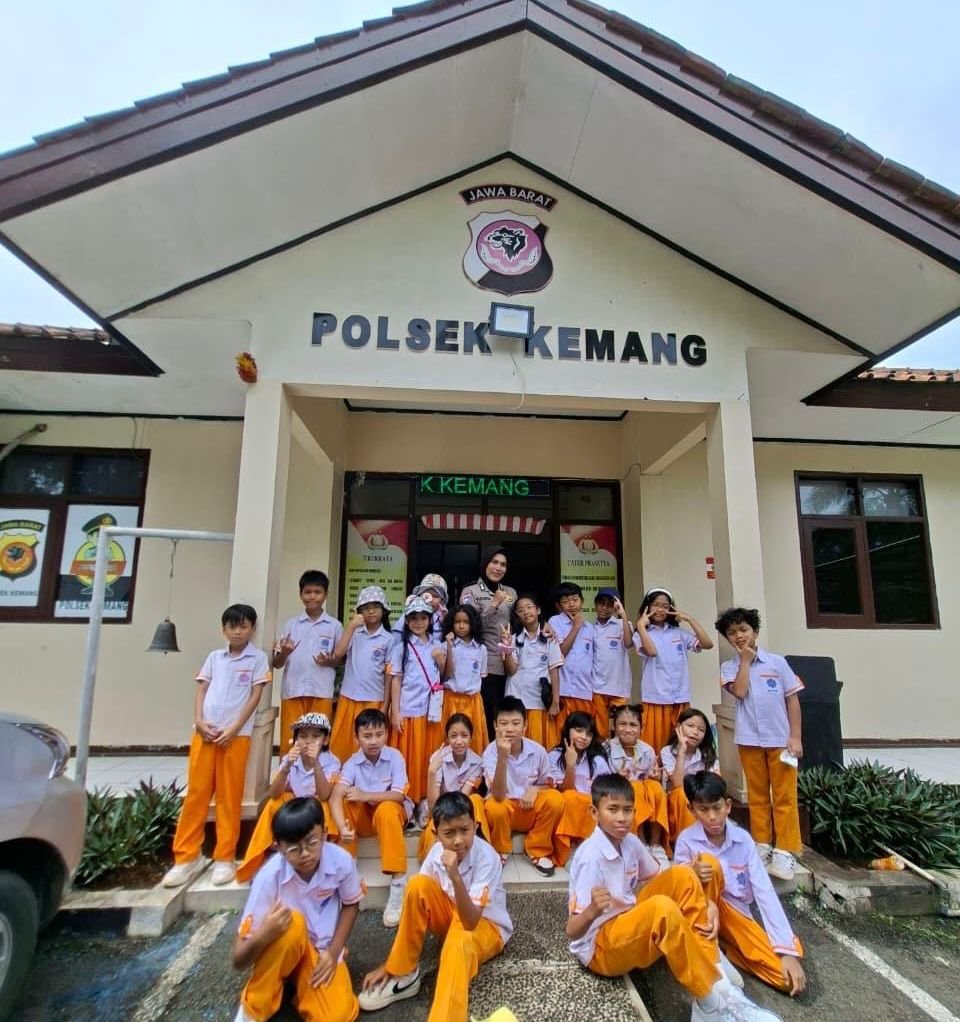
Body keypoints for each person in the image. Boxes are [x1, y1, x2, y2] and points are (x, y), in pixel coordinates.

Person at [566, 773, 783, 1022]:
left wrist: (704, 898)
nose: (622, 818)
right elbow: (572, 932)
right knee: (663, 908)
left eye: (627, 810)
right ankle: (709, 1003)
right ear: (594, 813)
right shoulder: (590, 858)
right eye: (612, 810)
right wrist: (592, 910)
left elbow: (664, 876)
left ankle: (720, 984)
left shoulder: (630, 842)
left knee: (684, 875)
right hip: (599, 948)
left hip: (626, 922)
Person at [359, 792, 511, 1022]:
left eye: (465, 830)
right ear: (436, 833)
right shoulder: (436, 852)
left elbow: (469, 922)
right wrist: (390, 965)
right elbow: (418, 903)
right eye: (449, 833)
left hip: (486, 926)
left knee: (458, 941)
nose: (458, 840)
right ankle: (403, 972)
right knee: (417, 885)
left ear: (475, 826)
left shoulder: (487, 858)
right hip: (453, 916)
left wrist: (455, 876)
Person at [163, 604, 271, 888]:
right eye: (232, 626)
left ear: (252, 629)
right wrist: (198, 720)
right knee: (196, 795)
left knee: (229, 796)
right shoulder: (214, 658)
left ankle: (225, 856)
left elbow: (255, 697)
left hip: (236, 737)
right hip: (205, 734)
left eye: (243, 626)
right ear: (223, 629)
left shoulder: (258, 659)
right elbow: (202, 690)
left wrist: (234, 729)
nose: (238, 632)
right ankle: (186, 857)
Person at [675, 772, 806, 997]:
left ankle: (731, 949)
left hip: (735, 915)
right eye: (703, 810)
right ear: (691, 810)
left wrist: (786, 952)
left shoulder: (743, 840)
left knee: (785, 979)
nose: (712, 817)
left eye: (717, 808)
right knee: (708, 864)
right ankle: (712, 954)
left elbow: (764, 892)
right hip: (702, 913)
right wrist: (690, 872)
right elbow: (678, 887)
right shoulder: (686, 840)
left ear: (727, 806)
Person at [231, 798, 361, 1022]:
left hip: (320, 952)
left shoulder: (342, 862)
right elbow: (238, 960)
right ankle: (253, 1010)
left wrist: (333, 951)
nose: (305, 854)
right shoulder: (268, 878)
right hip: (282, 949)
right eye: (293, 849)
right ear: (278, 848)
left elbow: (351, 903)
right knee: (292, 922)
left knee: (338, 1016)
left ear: (325, 834)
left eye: (312, 842)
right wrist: (265, 934)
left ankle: (296, 989)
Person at [716, 607, 804, 881]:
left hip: (780, 740)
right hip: (749, 740)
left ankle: (786, 849)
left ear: (755, 631)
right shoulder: (729, 668)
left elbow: (792, 700)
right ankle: (762, 844)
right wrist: (745, 662)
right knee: (757, 795)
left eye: (743, 629)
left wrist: (795, 737)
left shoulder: (778, 663)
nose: (739, 636)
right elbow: (740, 692)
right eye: (732, 632)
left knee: (784, 795)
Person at [328, 708, 412, 928]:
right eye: (367, 736)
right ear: (356, 738)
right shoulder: (352, 763)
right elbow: (335, 795)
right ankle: (348, 873)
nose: (374, 741)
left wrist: (366, 795)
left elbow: (399, 795)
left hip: (390, 817)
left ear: (386, 734)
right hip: (365, 821)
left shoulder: (395, 757)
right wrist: (341, 827)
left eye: (379, 734)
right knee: (346, 802)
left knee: (387, 808)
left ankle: (398, 885)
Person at [237, 712, 340, 883]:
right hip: (295, 805)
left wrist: (315, 763)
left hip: (315, 806)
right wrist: (287, 766)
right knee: (274, 804)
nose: (308, 741)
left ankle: (320, 860)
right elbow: (273, 793)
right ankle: (259, 861)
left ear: (325, 740)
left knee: (324, 805)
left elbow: (324, 795)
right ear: (295, 740)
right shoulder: (290, 758)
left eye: (315, 736)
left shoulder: (332, 761)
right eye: (303, 736)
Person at [482, 696, 565, 876]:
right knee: (494, 806)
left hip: (529, 808)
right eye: (503, 723)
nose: (509, 729)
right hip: (505, 809)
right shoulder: (490, 752)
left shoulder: (538, 750)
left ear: (525, 725)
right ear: (495, 726)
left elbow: (549, 785)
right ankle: (500, 849)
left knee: (556, 799)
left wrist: (535, 789)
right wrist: (502, 756)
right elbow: (497, 795)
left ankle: (537, 849)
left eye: (515, 723)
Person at [634, 586, 714, 756]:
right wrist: (640, 625)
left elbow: (708, 644)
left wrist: (690, 619)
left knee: (681, 743)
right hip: (656, 698)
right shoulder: (640, 634)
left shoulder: (679, 633)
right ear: (647, 606)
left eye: (665, 606)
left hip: (680, 698)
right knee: (655, 745)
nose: (660, 610)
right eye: (656, 605)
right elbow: (652, 652)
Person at [388, 595, 446, 826]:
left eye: (423, 618)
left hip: (430, 712)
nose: (419, 622)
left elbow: (445, 675)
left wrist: (441, 660)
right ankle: (408, 800)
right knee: (409, 758)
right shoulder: (401, 647)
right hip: (408, 709)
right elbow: (396, 680)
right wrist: (395, 711)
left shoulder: (436, 644)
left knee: (426, 758)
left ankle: (424, 800)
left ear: (430, 620)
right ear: (407, 620)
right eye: (414, 618)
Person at [272, 570, 344, 748]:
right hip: (293, 691)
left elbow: (341, 660)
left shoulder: (334, 626)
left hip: (321, 691)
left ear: (326, 594)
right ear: (300, 595)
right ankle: (290, 767)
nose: (312, 596)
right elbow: (277, 663)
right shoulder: (291, 625)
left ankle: (316, 767)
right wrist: (285, 652)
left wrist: (329, 661)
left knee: (319, 741)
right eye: (308, 592)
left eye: (317, 592)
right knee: (291, 741)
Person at [328, 587, 392, 764]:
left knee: (369, 744)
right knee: (341, 744)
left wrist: (385, 705)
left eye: (375, 607)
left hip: (374, 699)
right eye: (366, 608)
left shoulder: (389, 639)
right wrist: (351, 626)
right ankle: (339, 776)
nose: (371, 611)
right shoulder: (354, 633)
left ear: (383, 610)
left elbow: (389, 675)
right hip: (349, 697)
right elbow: (338, 654)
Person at [460, 547, 517, 738]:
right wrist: (493, 604)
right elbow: (468, 627)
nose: (498, 568)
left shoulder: (511, 592)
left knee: (506, 718)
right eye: (494, 562)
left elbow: (522, 620)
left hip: (510, 664)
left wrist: (545, 626)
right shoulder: (471, 591)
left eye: (503, 564)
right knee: (485, 718)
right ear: (485, 564)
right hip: (484, 665)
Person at [605, 703, 670, 864]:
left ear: (641, 727)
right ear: (614, 726)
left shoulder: (647, 750)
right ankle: (639, 840)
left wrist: (655, 777)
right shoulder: (606, 748)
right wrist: (617, 777)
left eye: (633, 725)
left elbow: (650, 777)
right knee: (634, 787)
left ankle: (655, 843)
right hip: (618, 795)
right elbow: (601, 779)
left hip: (644, 796)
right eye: (622, 724)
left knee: (656, 788)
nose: (628, 729)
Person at [419, 713, 488, 859]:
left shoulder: (477, 763)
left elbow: (463, 798)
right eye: (453, 736)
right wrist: (432, 772)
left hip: (460, 809)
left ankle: (480, 851)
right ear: (447, 738)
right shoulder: (438, 758)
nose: (459, 741)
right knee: (434, 838)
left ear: (471, 737)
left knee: (476, 799)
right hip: (439, 809)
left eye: (464, 736)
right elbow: (433, 806)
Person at [548, 711, 611, 864]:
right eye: (578, 730)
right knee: (569, 797)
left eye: (589, 734)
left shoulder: (596, 760)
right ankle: (570, 852)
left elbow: (605, 792)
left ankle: (588, 849)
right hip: (566, 811)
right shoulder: (554, 756)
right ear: (568, 730)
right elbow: (564, 791)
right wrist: (570, 766)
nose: (583, 737)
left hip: (590, 813)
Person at [500, 593, 562, 747]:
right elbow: (511, 671)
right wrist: (506, 647)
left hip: (538, 701)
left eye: (529, 607)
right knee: (515, 745)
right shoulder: (514, 638)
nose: (526, 612)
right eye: (521, 610)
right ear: (517, 615)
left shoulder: (550, 637)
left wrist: (555, 702)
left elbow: (554, 671)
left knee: (538, 745)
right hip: (517, 698)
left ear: (538, 610)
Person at [661, 707, 720, 848]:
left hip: (702, 801)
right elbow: (678, 784)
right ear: (678, 727)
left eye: (701, 730)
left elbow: (717, 785)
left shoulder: (708, 754)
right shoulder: (667, 752)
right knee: (682, 793)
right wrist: (681, 751)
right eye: (690, 726)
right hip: (677, 804)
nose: (695, 732)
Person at [546, 581, 596, 747]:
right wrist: (575, 627)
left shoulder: (590, 628)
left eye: (575, 599)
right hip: (563, 690)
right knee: (560, 735)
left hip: (584, 690)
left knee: (582, 735)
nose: (571, 604)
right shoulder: (555, 622)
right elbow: (560, 653)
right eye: (566, 601)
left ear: (582, 601)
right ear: (559, 605)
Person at [440, 602, 489, 754]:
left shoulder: (481, 649)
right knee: (449, 739)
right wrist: (449, 648)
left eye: (466, 622)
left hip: (473, 702)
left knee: (473, 739)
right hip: (450, 700)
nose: (461, 626)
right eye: (457, 622)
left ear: (473, 623)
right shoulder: (446, 645)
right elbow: (445, 675)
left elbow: (482, 675)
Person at [591, 588, 633, 740]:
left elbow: (628, 643)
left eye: (609, 605)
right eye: (601, 603)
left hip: (619, 686)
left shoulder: (623, 624)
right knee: (600, 731)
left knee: (621, 728)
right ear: (595, 605)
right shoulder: (591, 628)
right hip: (597, 687)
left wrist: (623, 614)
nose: (604, 608)